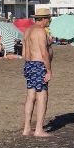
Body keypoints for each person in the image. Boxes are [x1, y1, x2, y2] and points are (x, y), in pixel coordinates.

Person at [22, 9, 53, 137]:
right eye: (49, 19)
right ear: (44, 19)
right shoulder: (40, 31)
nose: (49, 21)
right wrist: (49, 70)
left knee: (30, 96)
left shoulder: (28, 30)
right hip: (39, 65)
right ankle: (39, 129)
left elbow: (24, 53)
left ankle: (27, 128)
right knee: (42, 96)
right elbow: (44, 53)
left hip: (28, 64)